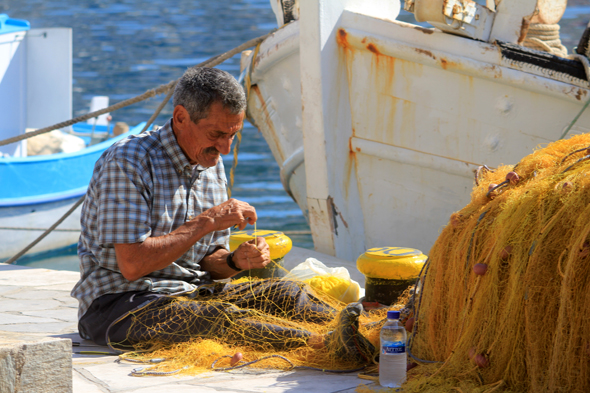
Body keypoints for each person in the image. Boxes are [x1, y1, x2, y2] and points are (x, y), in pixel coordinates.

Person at [70, 67, 374, 361]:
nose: (225, 149)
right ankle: (334, 345)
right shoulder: (128, 161)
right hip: (121, 305)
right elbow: (133, 265)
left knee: (285, 293)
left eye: (233, 135)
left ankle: (370, 330)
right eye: (217, 133)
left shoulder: (210, 161)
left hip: (192, 294)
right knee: (218, 319)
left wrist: (234, 260)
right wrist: (207, 221)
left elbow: (207, 261)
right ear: (180, 118)